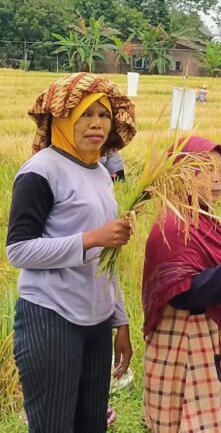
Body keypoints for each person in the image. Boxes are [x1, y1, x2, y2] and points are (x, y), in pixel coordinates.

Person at [7, 72, 137, 433]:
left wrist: (120, 320)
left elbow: (108, 257)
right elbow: (18, 250)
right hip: (51, 317)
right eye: (85, 114)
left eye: (104, 115)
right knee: (53, 426)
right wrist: (89, 239)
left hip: (96, 322)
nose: (96, 124)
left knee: (91, 424)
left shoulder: (100, 173)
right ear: (62, 118)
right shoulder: (41, 171)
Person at [142, 136, 221, 432]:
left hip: (208, 338)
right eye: (206, 169)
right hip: (185, 342)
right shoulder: (173, 225)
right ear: (180, 172)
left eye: (220, 169)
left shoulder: (206, 220)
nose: (218, 177)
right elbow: (183, 294)